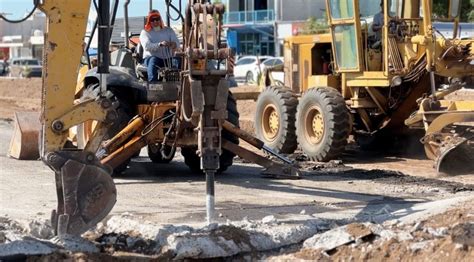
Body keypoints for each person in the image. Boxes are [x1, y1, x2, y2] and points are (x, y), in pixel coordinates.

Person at [139, 10, 179, 82]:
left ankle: (179, 82)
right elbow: (147, 46)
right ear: (149, 21)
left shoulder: (169, 30)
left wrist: (172, 44)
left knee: (178, 60)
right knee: (153, 60)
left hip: (168, 59)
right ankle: (153, 84)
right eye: (152, 20)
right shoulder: (145, 32)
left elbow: (177, 43)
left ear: (160, 19)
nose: (155, 22)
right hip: (150, 59)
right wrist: (159, 44)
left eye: (157, 19)